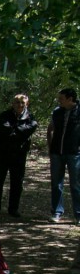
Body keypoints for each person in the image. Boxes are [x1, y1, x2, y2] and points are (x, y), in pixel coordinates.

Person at [0, 94, 38, 217]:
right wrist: (20, 131)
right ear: (13, 103)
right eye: (17, 102)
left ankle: (13, 209)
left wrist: (15, 131)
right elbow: (3, 129)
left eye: (22, 103)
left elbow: (31, 128)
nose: (20, 105)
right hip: (2, 153)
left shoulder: (30, 117)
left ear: (26, 104)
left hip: (19, 154)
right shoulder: (4, 115)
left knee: (17, 183)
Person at [47, 87, 80, 223]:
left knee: (76, 184)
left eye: (61, 98)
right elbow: (50, 129)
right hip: (57, 153)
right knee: (56, 184)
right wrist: (50, 148)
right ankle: (56, 212)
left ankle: (78, 214)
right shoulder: (57, 112)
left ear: (70, 99)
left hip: (74, 154)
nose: (58, 101)